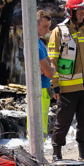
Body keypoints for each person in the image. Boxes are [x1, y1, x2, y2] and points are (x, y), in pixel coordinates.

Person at [48, 0, 84, 160]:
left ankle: (83, 152)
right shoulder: (59, 32)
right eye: (78, 12)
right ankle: (57, 152)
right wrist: (55, 85)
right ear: (70, 12)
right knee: (62, 122)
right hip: (67, 88)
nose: (82, 15)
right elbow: (52, 60)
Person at [27, 10, 56, 141]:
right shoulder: (35, 46)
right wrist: (52, 67)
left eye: (49, 27)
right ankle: (36, 154)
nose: (48, 30)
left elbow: (47, 67)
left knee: (41, 125)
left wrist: (48, 67)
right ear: (35, 25)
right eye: (45, 27)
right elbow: (50, 72)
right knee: (38, 126)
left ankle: (39, 152)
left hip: (43, 89)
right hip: (38, 89)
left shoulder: (40, 43)